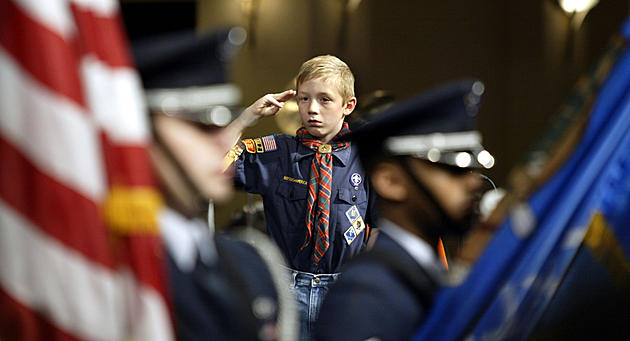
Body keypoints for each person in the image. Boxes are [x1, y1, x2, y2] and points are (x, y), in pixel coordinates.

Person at [132, 29, 297, 341]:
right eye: (201, 125)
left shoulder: (252, 266)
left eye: (225, 122)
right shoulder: (105, 272)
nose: (225, 142)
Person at [314, 79, 495, 341]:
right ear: (391, 181)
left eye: (472, 169)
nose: (473, 182)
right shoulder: (364, 293)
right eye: (453, 169)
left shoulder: (427, 273)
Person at [224, 55, 377, 340]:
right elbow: (212, 165)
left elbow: (379, 228)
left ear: (348, 105)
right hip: (286, 289)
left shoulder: (367, 158)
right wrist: (247, 117)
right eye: (304, 99)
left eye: (324, 99)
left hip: (343, 292)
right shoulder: (278, 153)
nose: (312, 109)